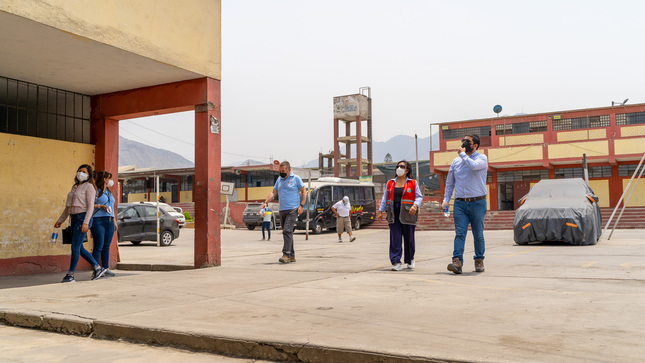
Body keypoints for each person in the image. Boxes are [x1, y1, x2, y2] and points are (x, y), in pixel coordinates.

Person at [442, 134, 489, 274]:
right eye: (463, 141)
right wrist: (446, 199)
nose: (464, 143)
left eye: (468, 141)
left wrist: (463, 155)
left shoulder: (482, 158)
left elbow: (473, 166)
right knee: (460, 233)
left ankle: (479, 259)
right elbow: (450, 183)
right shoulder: (456, 162)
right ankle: (457, 261)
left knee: (478, 234)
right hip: (460, 204)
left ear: (475, 145)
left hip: (478, 202)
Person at [54, 164, 107, 283]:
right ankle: (98, 268)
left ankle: (70, 275)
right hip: (73, 218)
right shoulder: (74, 187)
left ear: (89, 175)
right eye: (79, 171)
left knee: (75, 247)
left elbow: (89, 208)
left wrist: (86, 222)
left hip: (82, 218)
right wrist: (60, 220)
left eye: (84, 171)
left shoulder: (89, 187)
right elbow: (68, 207)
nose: (80, 173)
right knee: (79, 247)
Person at [378, 160, 423, 271]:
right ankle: (396, 261)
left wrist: (415, 205)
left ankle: (410, 259)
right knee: (395, 238)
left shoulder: (412, 183)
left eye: (402, 166)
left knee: (409, 238)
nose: (399, 168)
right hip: (393, 212)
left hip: (408, 212)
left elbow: (419, 196)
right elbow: (385, 198)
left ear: (407, 169)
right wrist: (380, 211)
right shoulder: (390, 183)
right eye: (397, 166)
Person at [261, 161, 306, 264]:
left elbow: (304, 192)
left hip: (293, 209)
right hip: (282, 209)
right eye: (280, 171)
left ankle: (286, 254)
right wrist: (265, 202)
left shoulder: (296, 179)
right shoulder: (279, 180)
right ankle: (292, 256)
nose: (281, 173)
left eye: (283, 171)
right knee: (288, 232)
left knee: (286, 230)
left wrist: (301, 206)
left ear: (289, 170)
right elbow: (273, 192)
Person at [90, 170, 117, 277]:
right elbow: (89, 204)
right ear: (104, 179)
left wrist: (114, 221)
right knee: (99, 246)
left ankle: (105, 268)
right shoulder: (95, 191)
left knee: (107, 246)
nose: (111, 180)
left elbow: (112, 207)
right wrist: (100, 206)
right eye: (109, 178)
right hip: (98, 220)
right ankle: (96, 269)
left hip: (109, 220)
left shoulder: (109, 192)